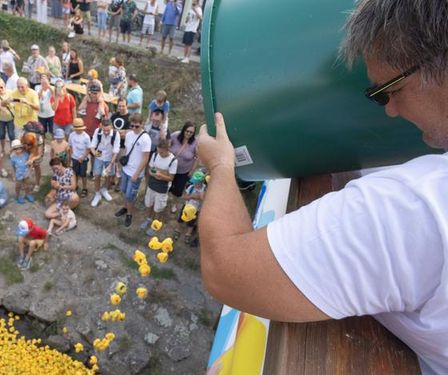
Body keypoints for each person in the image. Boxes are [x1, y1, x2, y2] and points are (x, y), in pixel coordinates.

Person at [200, 1, 448, 371]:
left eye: (387, 91)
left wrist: (221, 166)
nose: (390, 110)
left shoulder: (415, 208)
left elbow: (224, 267)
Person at [114, 113, 151, 227]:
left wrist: (136, 174)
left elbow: (145, 159)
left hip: (136, 173)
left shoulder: (146, 139)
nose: (134, 128)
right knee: (124, 191)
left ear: (142, 124)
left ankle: (129, 214)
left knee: (130, 195)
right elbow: (126, 151)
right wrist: (121, 166)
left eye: (137, 126)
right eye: (132, 126)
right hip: (126, 170)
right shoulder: (129, 135)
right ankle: (125, 208)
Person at [140, 139, 177, 234]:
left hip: (162, 188)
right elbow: (151, 169)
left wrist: (160, 175)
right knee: (148, 203)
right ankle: (148, 219)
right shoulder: (155, 155)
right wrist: (156, 173)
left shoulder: (173, 161)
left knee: (158, 207)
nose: (159, 153)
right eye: (158, 151)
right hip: (152, 184)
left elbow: (171, 178)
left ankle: (155, 224)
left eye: (162, 152)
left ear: (167, 149)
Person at [89, 119, 120, 207]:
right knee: (97, 175)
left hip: (110, 157)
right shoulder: (97, 131)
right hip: (99, 156)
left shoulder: (115, 134)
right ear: (101, 126)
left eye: (108, 130)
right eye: (104, 130)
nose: (106, 132)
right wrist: (94, 152)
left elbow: (116, 151)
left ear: (111, 127)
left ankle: (104, 190)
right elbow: (92, 145)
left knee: (109, 175)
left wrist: (110, 165)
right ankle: (97, 193)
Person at [169, 121, 197, 213]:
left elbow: (197, 157)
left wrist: (192, 171)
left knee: (178, 190)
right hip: (170, 168)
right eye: (187, 131)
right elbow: (167, 145)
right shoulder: (175, 136)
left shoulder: (195, 143)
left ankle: (174, 203)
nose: (188, 133)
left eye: (191, 132)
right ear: (183, 130)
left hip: (183, 171)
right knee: (167, 185)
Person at [174, 169, 204, 244]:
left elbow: (204, 200)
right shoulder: (190, 187)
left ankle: (188, 234)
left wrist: (198, 197)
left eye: (196, 183)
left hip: (195, 210)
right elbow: (184, 197)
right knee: (181, 219)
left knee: (191, 223)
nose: (194, 184)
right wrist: (191, 196)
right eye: (194, 182)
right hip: (186, 207)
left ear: (201, 182)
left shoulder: (204, 189)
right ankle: (177, 230)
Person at [68, 118, 91, 197]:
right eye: (76, 129)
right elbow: (70, 146)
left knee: (83, 174)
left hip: (83, 159)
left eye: (79, 129)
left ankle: (85, 188)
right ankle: (75, 185)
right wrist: (71, 156)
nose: (78, 130)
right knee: (75, 173)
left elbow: (88, 149)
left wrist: (83, 157)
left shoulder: (86, 137)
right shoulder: (72, 135)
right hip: (74, 157)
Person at [0, 78, 15, 153]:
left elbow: (13, 105)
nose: (0, 89)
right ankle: (2, 149)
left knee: (11, 135)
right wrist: (6, 102)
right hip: (1, 119)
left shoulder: (10, 92)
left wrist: (3, 105)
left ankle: (12, 150)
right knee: (1, 135)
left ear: (4, 86)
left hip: (10, 118)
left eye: (1, 87)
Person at [9, 139, 33, 204]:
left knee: (27, 185)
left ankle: (27, 194)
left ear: (22, 148)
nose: (18, 151)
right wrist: (13, 175)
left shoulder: (26, 155)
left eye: (19, 149)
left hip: (26, 173)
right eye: (15, 149)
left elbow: (30, 164)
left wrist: (29, 172)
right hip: (18, 174)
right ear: (13, 150)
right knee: (18, 186)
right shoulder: (13, 158)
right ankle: (18, 196)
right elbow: (13, 167)